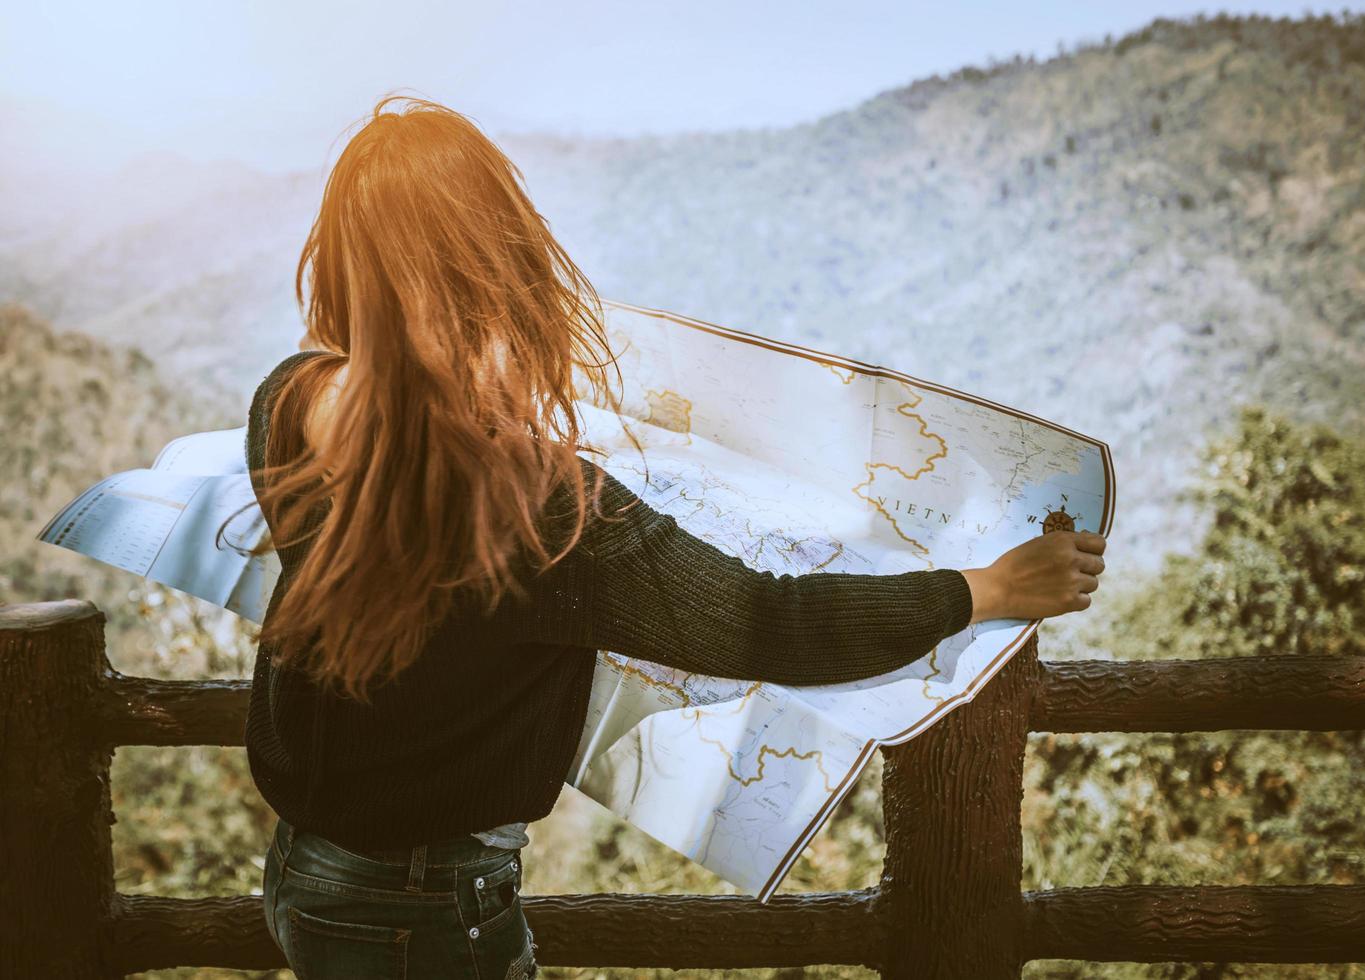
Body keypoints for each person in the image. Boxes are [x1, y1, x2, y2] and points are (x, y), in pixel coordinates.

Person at [245, 96, 1106, 980]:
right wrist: (987, 589)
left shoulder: (287, 403)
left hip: (306, 876)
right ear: (497, 257)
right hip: (424, 911)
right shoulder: (536, 501)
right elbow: (764, 623)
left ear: (343, 255)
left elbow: (411, 521)